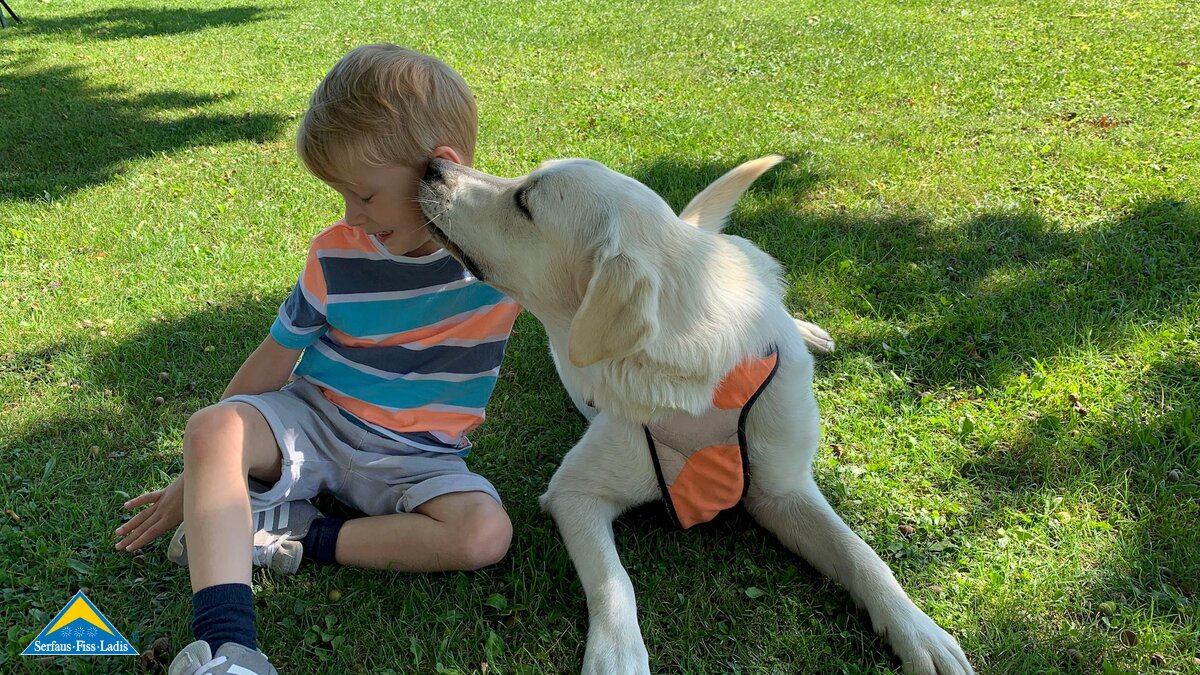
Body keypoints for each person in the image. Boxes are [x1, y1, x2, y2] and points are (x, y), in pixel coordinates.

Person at [113, 44, 521, 675]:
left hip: (421, 457)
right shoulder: (336, 254)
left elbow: (585, 305)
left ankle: (293, 534)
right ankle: (227, 648)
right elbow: (276, 357)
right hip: (316, 422)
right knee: (213, 427)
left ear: (442, 169)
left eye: (364, 195)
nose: (350, 215)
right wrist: (198, 474)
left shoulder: (508, 255)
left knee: (484, 535)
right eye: (341, 196)